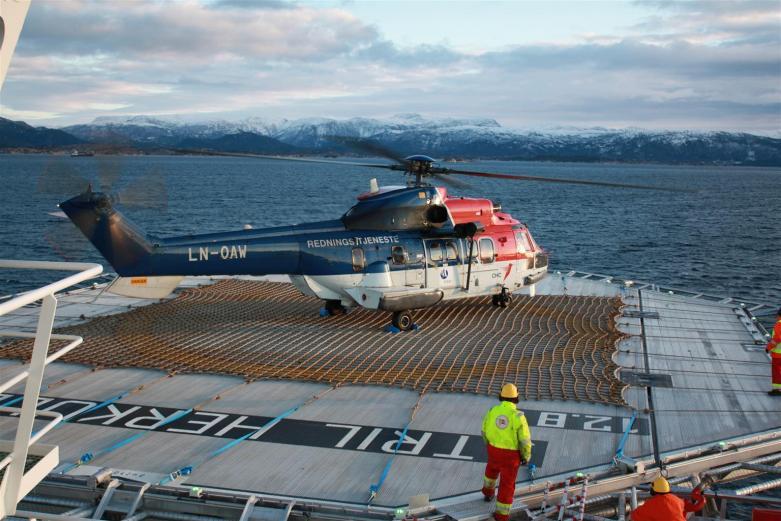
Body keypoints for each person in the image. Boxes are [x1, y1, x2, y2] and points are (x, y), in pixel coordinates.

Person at [481, 383, 532, 521]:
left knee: (490, 472)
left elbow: (484, 430)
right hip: (510, 456)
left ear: (501, 396)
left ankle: (487, 493)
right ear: (516, 398)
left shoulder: (492, 411)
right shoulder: (518, 416)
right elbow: (525, 441)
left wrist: (489, 445)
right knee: (507, 484)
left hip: (493, 450)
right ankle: (501, 515)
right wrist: (526, 456)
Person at [630, 476, 705, 521]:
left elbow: (635, 515)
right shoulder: (676, 499)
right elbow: (688, 507)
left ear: (654, 490)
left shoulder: (651, 504)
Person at [766, 308, 781, 396]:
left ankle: (777, 390)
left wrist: (768, 347)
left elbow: (777, 339)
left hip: (778, 354)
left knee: (777, 371)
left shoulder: (779, 325)